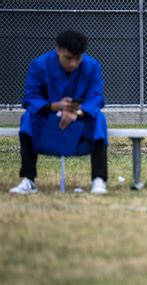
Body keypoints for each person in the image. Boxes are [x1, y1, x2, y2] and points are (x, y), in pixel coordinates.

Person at [9, 30, 109, 195]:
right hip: (48, 116)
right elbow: (31, 97)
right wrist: (55, 106)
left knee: (99, 119)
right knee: (27, 119)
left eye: (78, 58)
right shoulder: (39, 64)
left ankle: (99, 180)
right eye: (68, 58)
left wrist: (77, 113)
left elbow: (96, 97)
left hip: (79, 118)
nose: (73, 64)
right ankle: (28, 179)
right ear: (58, 50)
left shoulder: (92, 66)